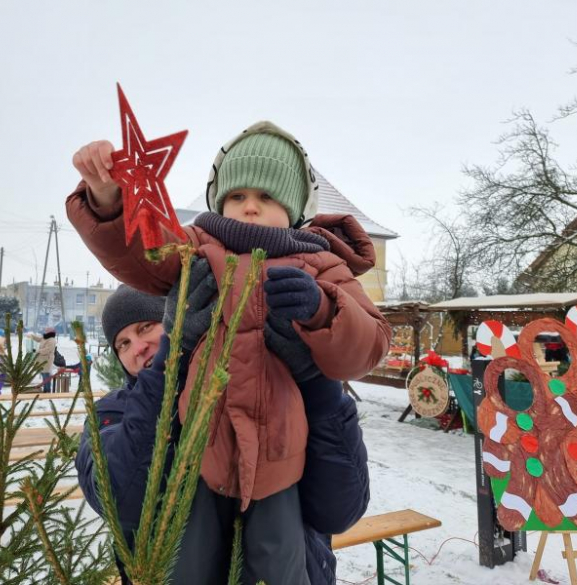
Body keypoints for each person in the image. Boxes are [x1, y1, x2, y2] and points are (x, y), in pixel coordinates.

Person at [67, 121, 390, 579]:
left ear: (296, 207)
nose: (250, 207)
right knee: (190, 554)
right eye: (236, 196)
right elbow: (141, 248)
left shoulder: (321, 263)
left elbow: (370, 342)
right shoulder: (198, 249)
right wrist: (107, 199)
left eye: (266, 197)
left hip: (282, 452)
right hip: (200, 450)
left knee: (279, 555)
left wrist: (321, 311)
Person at [76, 283, 370, 585]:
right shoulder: (111, 415)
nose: (137, 349)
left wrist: (315, 381)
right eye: (122, 344)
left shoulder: (283, 393)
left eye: (146, 327)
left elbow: (339, 511)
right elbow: (121, 502)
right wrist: (171, 363)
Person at [27, 327, 57, 392]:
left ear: (50, 332)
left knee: (46, 375)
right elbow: (38, 339)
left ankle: (47, 390)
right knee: (43, 374)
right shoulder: (46, 337)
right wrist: (32, 335)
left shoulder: (52, 340)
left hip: (47, 360)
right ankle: (45, 389)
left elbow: (48, 350)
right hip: (42, 359)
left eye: (46, 331)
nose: (45, 331)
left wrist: (37, 351)